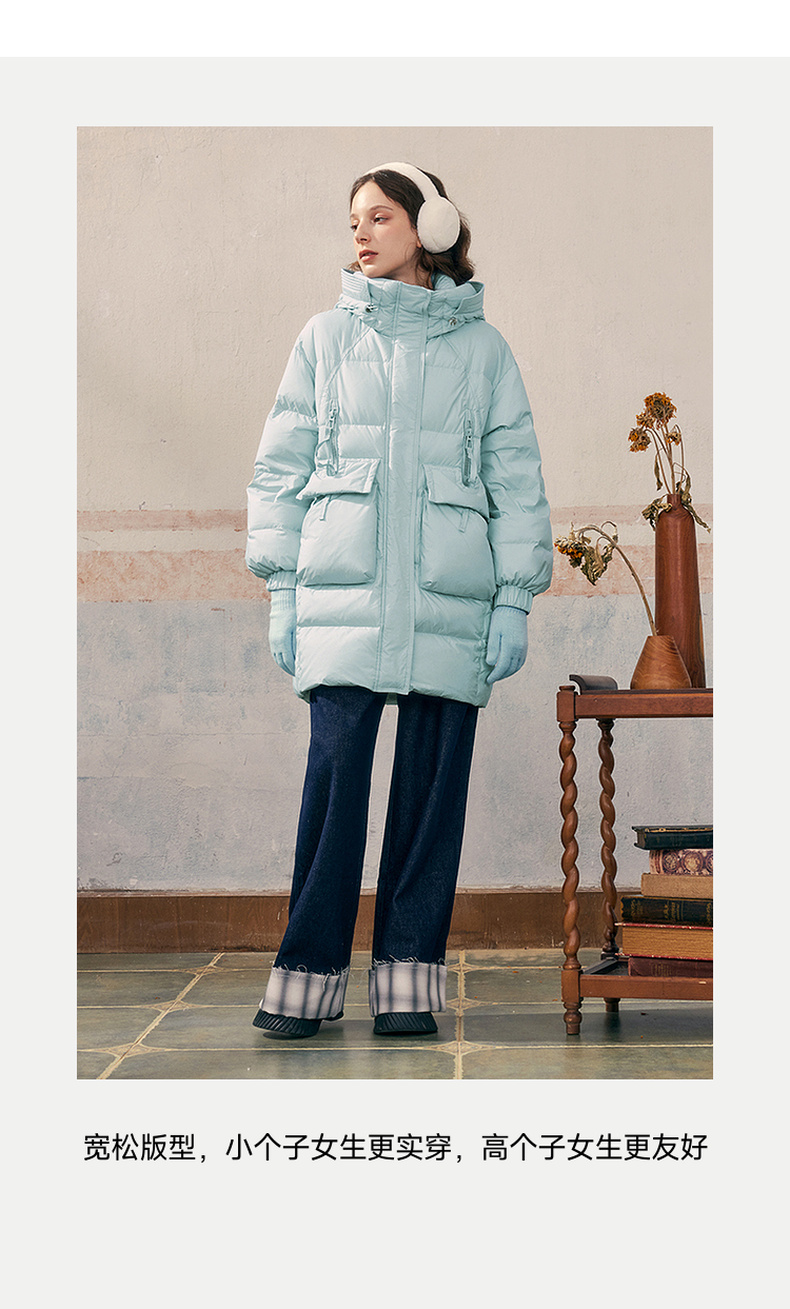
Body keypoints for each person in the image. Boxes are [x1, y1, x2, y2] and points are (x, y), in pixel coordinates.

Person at [245, 162, 552, 1039]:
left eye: (380, 216)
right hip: (341, 600)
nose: (361, 233)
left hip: (450, 601)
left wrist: (513, 599)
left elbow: (515, 481)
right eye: (355, 220)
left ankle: (408, 981)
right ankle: (306, 979)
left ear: (431, 226)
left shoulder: (485, 352)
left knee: (430, 798)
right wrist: (282, 588)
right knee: (335, 787)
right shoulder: (324, 339)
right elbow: (280, 470)